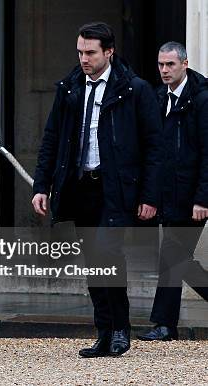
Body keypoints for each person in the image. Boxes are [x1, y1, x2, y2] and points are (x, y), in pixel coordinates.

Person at [31, 22, 162, 357]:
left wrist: (149, 196)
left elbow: (154, 147)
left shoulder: (134, 89)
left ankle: (120, 328)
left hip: (116, 188)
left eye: (90, 52)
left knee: (108, 254)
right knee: (94, 262)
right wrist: (42, 185)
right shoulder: (71, 87)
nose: (84, 58)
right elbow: (52, 139)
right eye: (80, 52)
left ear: (109, 52)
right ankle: (105, 332)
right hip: (80, 187)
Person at [138, 41, 208, 341]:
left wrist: (203, 198)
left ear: (185, 64)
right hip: (170, 195)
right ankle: (164, 324)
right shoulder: (158, 97)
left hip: (193, 197)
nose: (164, 70)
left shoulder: (202, 99)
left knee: (172, 254)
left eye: (170, 65)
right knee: (176, 257)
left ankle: (164, 324)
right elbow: (156, 150)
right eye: (161, 65)